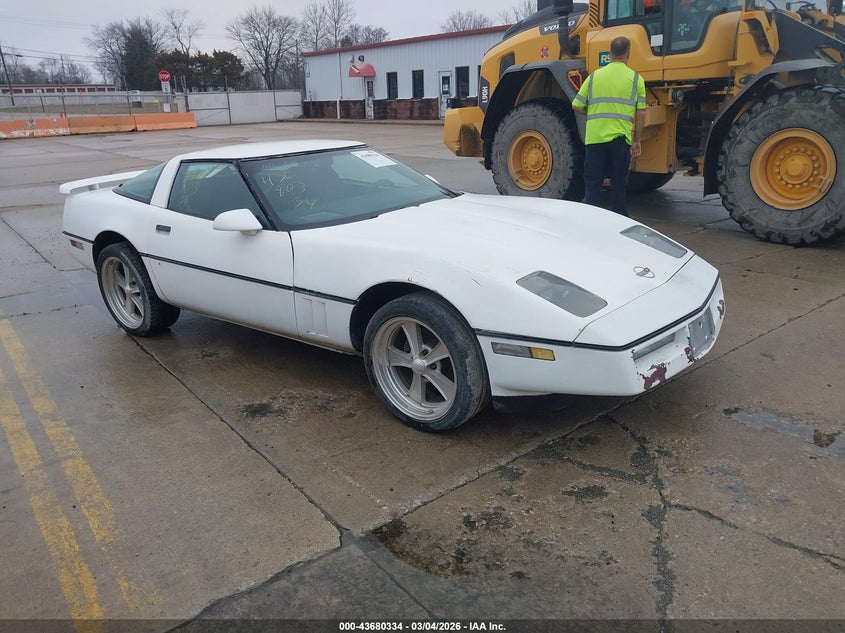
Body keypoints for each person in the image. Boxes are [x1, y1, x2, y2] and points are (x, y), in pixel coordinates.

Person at [572, 36, 646, 217]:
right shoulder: (637, 79)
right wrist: (637, 140)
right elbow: (641, 112)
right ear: (628, 53)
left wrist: (594, 114)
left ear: (610, 54)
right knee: (618, 186)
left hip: (595, 139)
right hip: (620, 142)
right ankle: (618, 222)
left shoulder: (594, 76)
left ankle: (590, 222)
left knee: (592, 186)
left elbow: (576, 105)